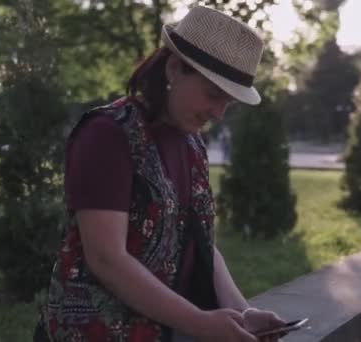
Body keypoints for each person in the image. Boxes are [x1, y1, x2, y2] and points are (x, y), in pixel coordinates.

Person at [36, 5, 286, 342]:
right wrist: (199, 322)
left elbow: (200, 244)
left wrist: (243, 314)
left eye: (228, 102)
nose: (218, 113)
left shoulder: (192, 143)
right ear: (173, 69)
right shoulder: (107, 134)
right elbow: (106, 258)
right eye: (213, 94)